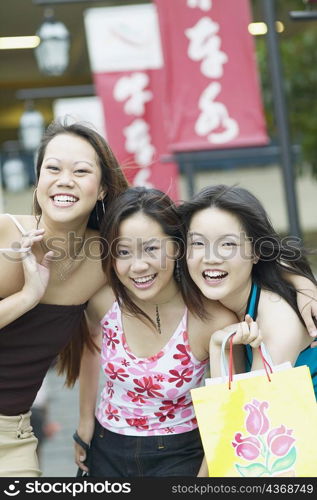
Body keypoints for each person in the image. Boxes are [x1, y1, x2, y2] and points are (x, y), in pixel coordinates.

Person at [74, 187, 239, 477]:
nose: (138, 266)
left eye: (151, 248)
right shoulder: (104, 301)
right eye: (124, 252)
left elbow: (226, 413)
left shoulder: (212, 320)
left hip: (180, 454)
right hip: (105, 447)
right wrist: (85, 420)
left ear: (176, 247)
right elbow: (91, 344)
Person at [0, 120, 128, 477]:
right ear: (38, 179)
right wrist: (28, 296)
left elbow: (101, 335)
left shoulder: (105, 260)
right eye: (52, 168)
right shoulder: (5, 233)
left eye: (81, 171)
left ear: (102, 188)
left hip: (14, 438)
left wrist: (87, 419)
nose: (64, 179)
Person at [179, 184, 317, 389]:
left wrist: (219, 346)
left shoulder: (278, 320)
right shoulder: (255, 287)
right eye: (198, 243)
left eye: (228, 244)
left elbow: (240, 416)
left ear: (255, 253)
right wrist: (301, 281)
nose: (210, 258)